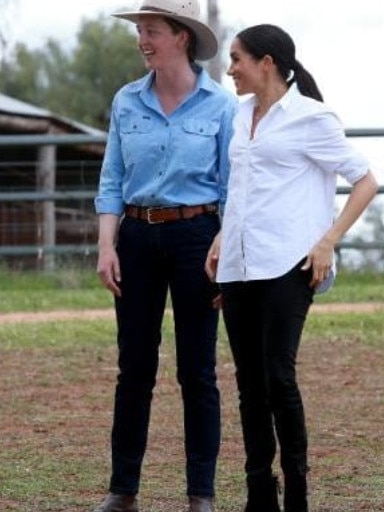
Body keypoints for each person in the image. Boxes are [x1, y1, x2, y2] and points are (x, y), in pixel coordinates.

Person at [205, 24, 378, 512]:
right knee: (248, 383)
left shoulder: (312, 117)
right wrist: (222, 240)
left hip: (288, 263)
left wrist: (327, 242)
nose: (231, 68)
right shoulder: (238, 116)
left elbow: (364, 181)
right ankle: (260, 491)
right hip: (239, 267)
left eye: (237, 58)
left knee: (277, 375)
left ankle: (297, 491)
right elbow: (240, 190)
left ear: (266, 62)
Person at [93, 0, 237, 511]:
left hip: (197, 237)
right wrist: (107, 244)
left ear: (181, 37)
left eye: (151, 30)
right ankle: (123, 488)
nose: (142, 39)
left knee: (197, 370)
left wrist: (224, 245)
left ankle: (201, 493)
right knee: (133, 367)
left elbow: (232, 187)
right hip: (134, 236)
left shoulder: (221, 106)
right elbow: (111, 180)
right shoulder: (126, 101)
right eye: (140, 31)